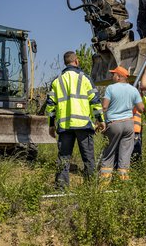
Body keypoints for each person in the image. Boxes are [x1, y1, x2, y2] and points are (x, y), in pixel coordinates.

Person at [46, 51, 104, 188]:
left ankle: (61, 187)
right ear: (76, 61)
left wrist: (51, 125)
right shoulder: (85, 79)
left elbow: (50, 106)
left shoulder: (57, 80)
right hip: (83, 124)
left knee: (64, 158)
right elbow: (95, 101)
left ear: (65, 63)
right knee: (88, 158)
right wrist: (100, 119)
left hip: (65, 126)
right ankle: (91, 188)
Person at [99, 66, 144, 181]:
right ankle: (123, 182)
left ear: (119, 77)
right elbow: (141, 108)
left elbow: (104, 106)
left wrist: (99, 121)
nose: (111, 76)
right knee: (125, 155)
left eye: (113, 74)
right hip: (129, 125)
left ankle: (104, 184)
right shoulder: (133, 90)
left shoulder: (110, 88)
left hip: (114, 124)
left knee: (109, 153)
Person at [131, 92, 146, 163]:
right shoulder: (140, 97)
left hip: (132, 127)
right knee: (135, 150)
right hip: (134, 127)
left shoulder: (141, 97)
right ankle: (136, 168)